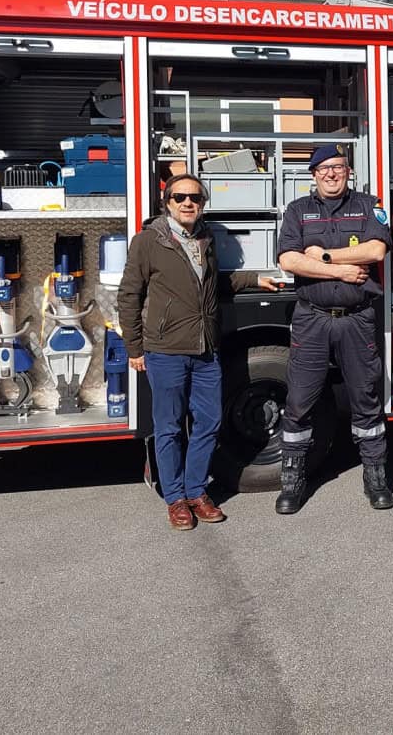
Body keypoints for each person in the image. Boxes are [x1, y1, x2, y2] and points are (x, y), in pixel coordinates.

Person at [118, 172, 279, 530]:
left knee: (209, 422)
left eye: (195, 197)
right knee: (169, 427)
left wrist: (253, 279)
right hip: (165, 350)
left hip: (206, 350)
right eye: (180, 197)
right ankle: (175, 499)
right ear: (168, 203)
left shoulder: (204, 238)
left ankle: (196, 492)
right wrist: (134, 346)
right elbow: (129, 295)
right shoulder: (147, 241)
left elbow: (212, 282)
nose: (188, 203)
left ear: (202, 203)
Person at [275, 143, 393, 513]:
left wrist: (325, 255)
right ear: (313, 174)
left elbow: (376, 251)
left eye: (338, 167)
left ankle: (376, 479)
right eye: (324, 168)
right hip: (312, 319)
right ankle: (292, 483)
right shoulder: (298, 211)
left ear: (348, 172)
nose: (331, 173)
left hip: (357, 319)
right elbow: (288, 259)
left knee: (366, 400)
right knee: (299, 403)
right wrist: (340, 270)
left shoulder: (368, 205)